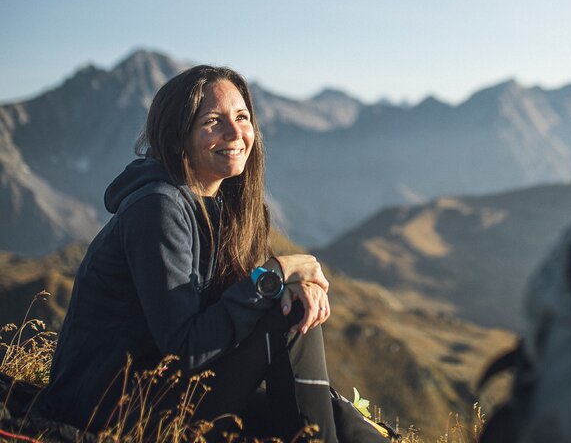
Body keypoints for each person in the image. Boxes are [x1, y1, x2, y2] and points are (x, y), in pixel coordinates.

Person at [38, 65, 391, 442]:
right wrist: (271, 277)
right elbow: (186, 348)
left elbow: (233, 319)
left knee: (334, 415)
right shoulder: (158, 208)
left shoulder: (223, 206)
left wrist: (289, 286)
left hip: (171, 392)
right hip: (109, 410)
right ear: (177, 139)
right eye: (213, 121)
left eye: (242, 117)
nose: (236, 133)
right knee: (290, 320)